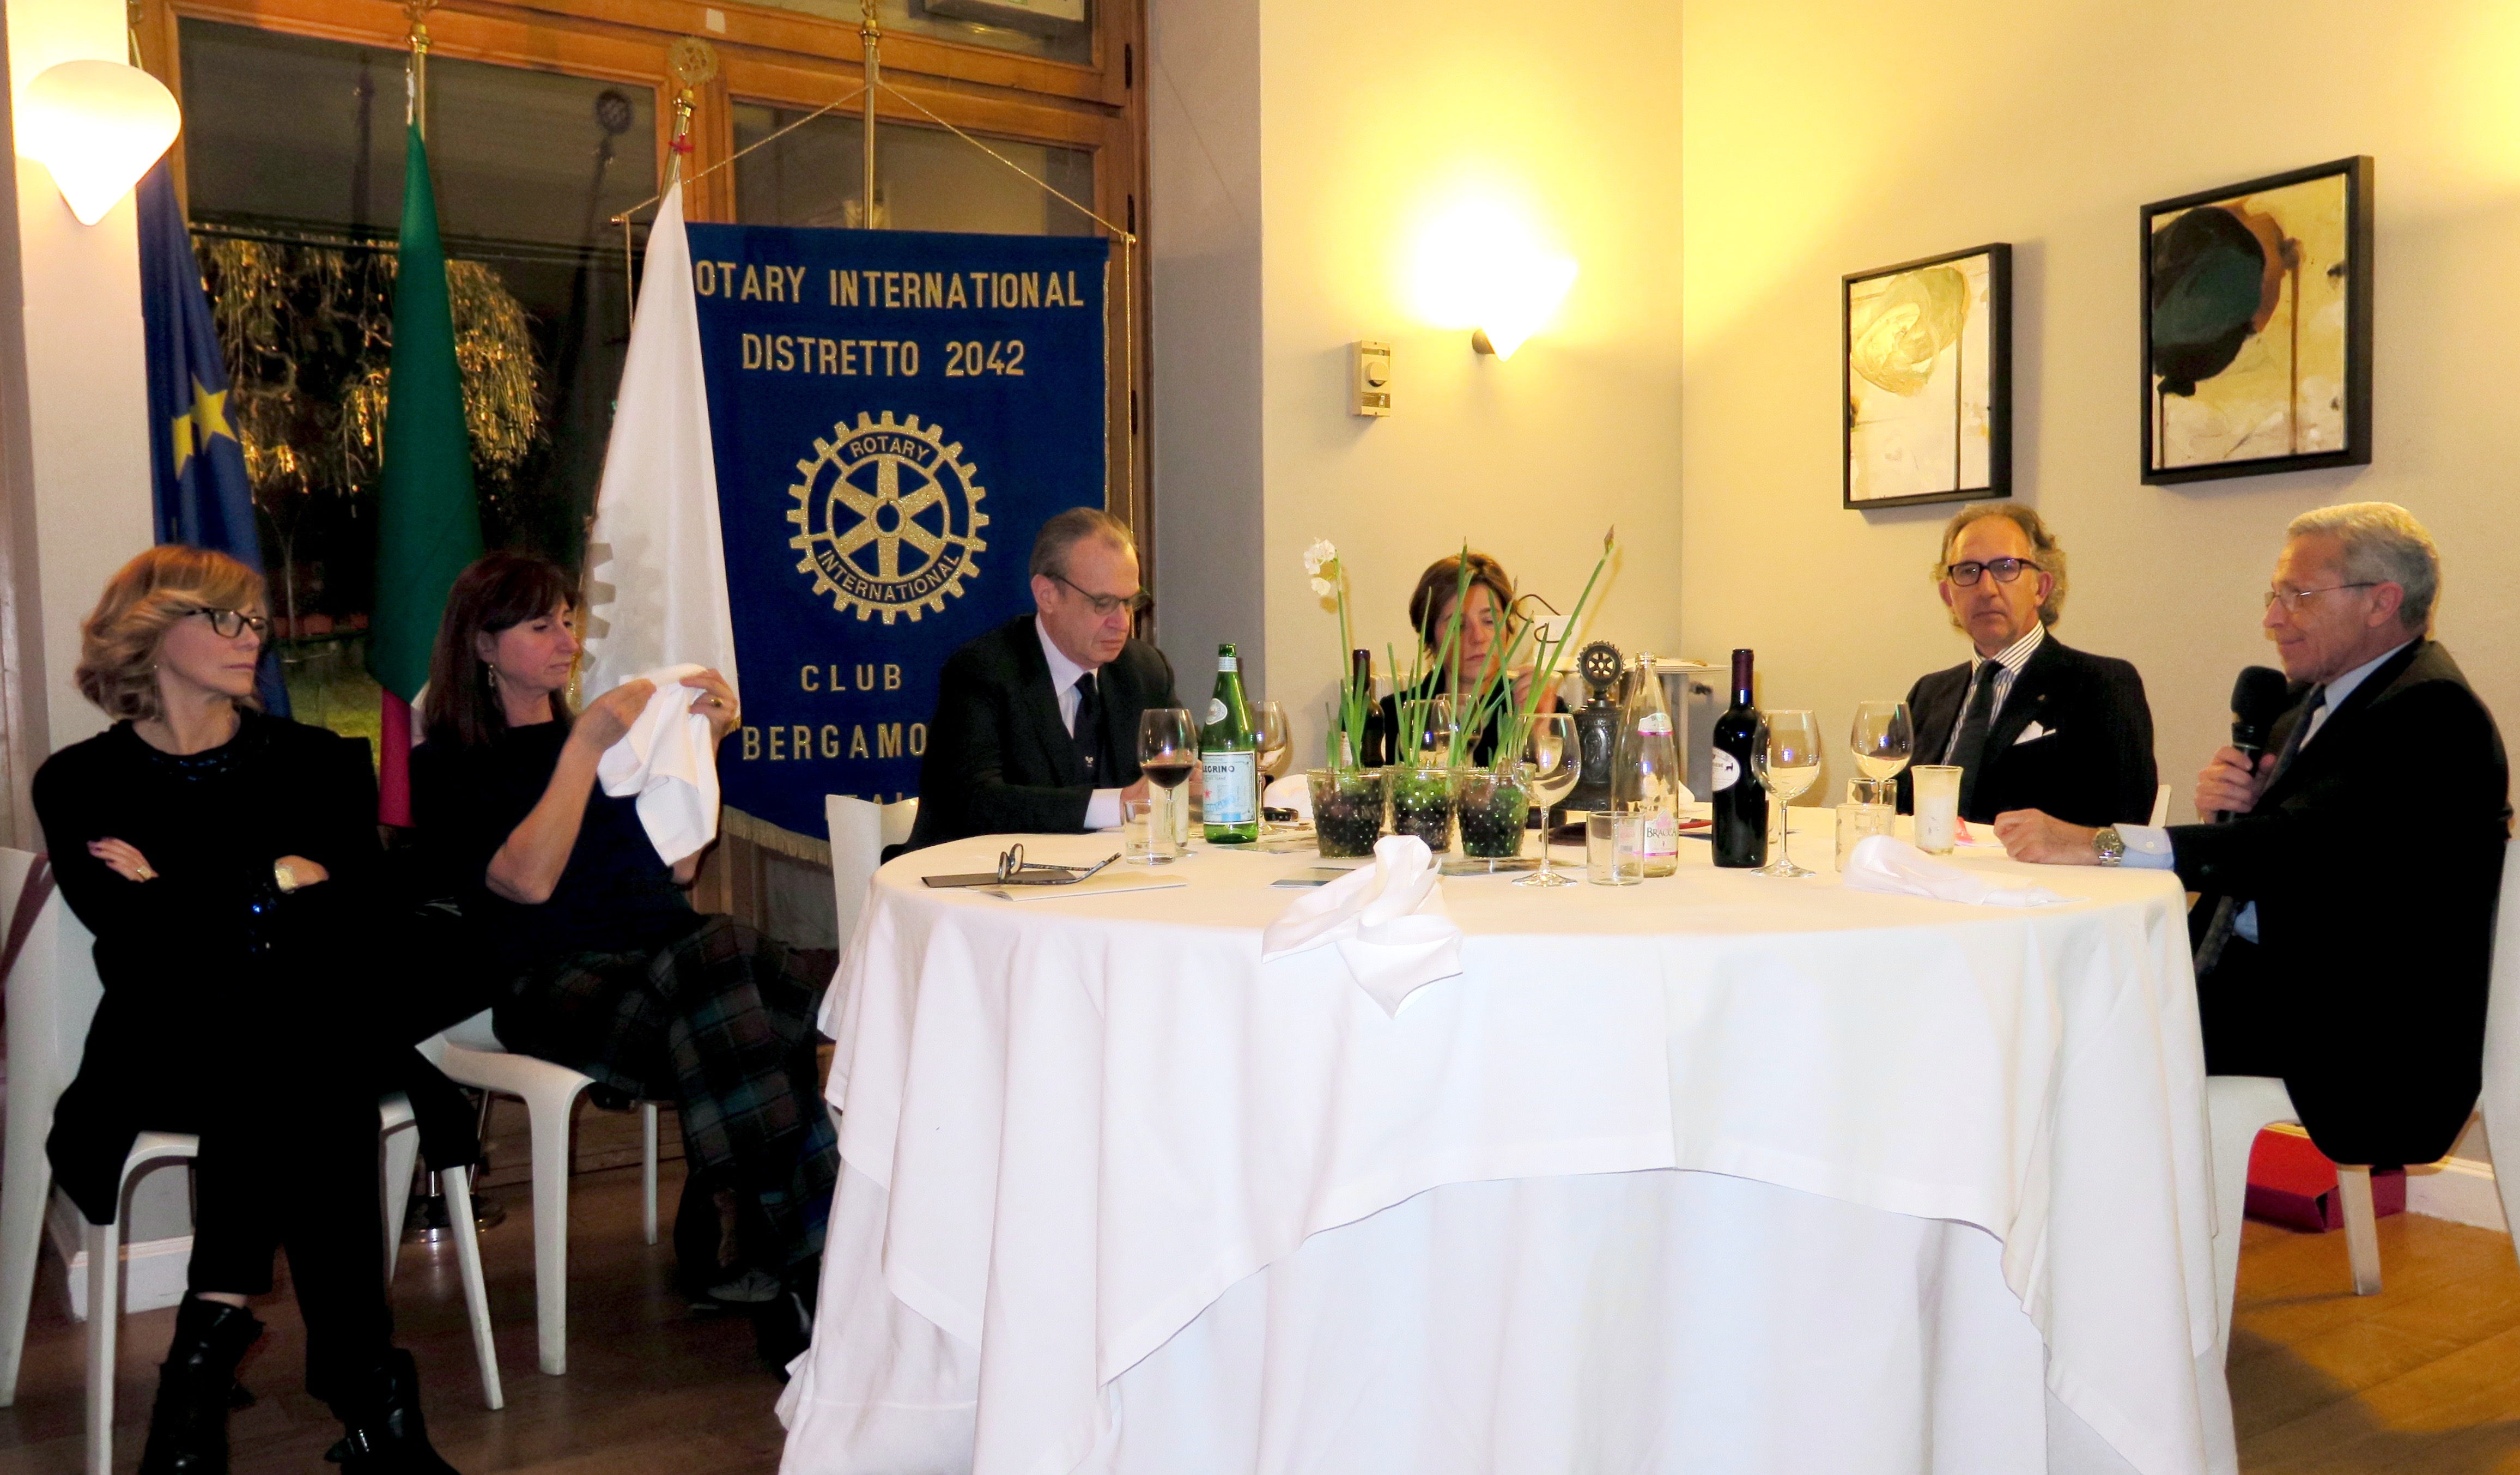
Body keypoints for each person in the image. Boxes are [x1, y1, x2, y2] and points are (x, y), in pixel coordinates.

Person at [33, 546, 475, 1475]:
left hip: (298, 1029)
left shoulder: (316, 762)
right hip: (161, 1044)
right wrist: (276, 880)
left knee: (283, 1061)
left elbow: (355, 919)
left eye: (256, 621)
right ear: (154, 633)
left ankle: (202, 1367)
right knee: (303, 1076)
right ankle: (373, 1405)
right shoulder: (79, 781)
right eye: (226, 619)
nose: (254, 638)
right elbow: (133, 935)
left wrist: (176, 887)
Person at [408, 553, 834, 1361]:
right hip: (550, 982)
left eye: (569, 620)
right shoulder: (449, 765)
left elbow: (678, 869)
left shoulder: (615, 745)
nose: (567, 641)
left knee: (735, 968)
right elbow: (528, 883)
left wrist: (701, 742)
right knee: (753, 971)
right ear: (484, 646)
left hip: (667, 973)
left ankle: (781, 1269)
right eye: (541, 625)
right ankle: (793, 1258)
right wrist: (582, 751)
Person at [1996, 503, 2511, 1168]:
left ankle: (2107, 1228)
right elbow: (2284, 848)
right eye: (2273, 595)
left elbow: (2287, 850)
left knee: (2060, 1031)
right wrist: (2227, 814)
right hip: (2259, 980)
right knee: (2035, 1000)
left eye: (2297, 596)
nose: (2272, 619)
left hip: (2350, 1025)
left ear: (2381, 602)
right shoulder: (2310, 703)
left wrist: (2099, 844)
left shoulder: (2431, 712)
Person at [903, 507, 1180, 848]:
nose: (1122, 623)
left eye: (1129, 603)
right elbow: (974, 802)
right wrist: (1118, 805)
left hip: (1110, 873)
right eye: (1103, 603)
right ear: (1047, 595)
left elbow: (1178, 763)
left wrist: (1199, 780)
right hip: (983, 874)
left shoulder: (1144, 670)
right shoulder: (981, 671)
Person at [1896, 505, 2158, 827]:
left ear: (2041, 588)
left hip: (2036, 862)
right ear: (1948, 596)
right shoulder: (1928, 694)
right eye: (1967, 571)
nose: (1986, 589)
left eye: (2006, 568)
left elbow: (2127, 823)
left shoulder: (2101, 684)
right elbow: (1897, 812)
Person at [1369, 551, 1558, 767]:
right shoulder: (1395, 715)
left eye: (1490, 621)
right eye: (1458, 625)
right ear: (1430, 638)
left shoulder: (1543, 707)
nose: (1478, 637)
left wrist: (1539, 731)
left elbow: (1556, 782)